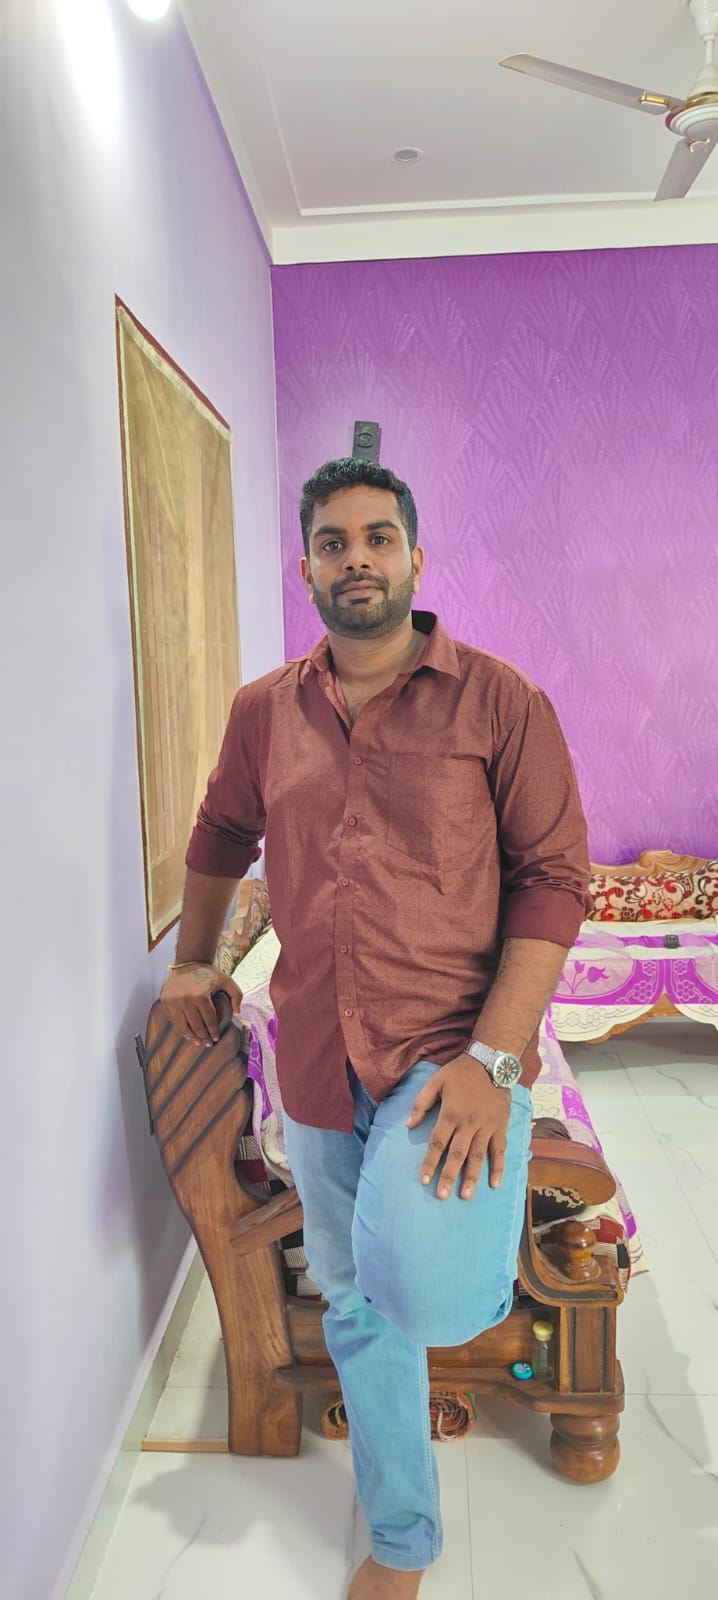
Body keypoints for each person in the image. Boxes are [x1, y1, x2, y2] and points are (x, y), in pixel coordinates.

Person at [161, 458, 592, 1599]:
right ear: (307, 568)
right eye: (333, 543)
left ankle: (469, 1250)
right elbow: (220, 834)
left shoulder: (499, 701)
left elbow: (554, 879)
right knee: (354, 1303)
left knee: (425, 1296)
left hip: (452, 1054)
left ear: (414, 556)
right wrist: (196, 960)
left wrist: (493, 1060)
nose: (357, 559)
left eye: (377, 537)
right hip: (315, 1057)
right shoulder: (264, 712)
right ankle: (402, 1540)